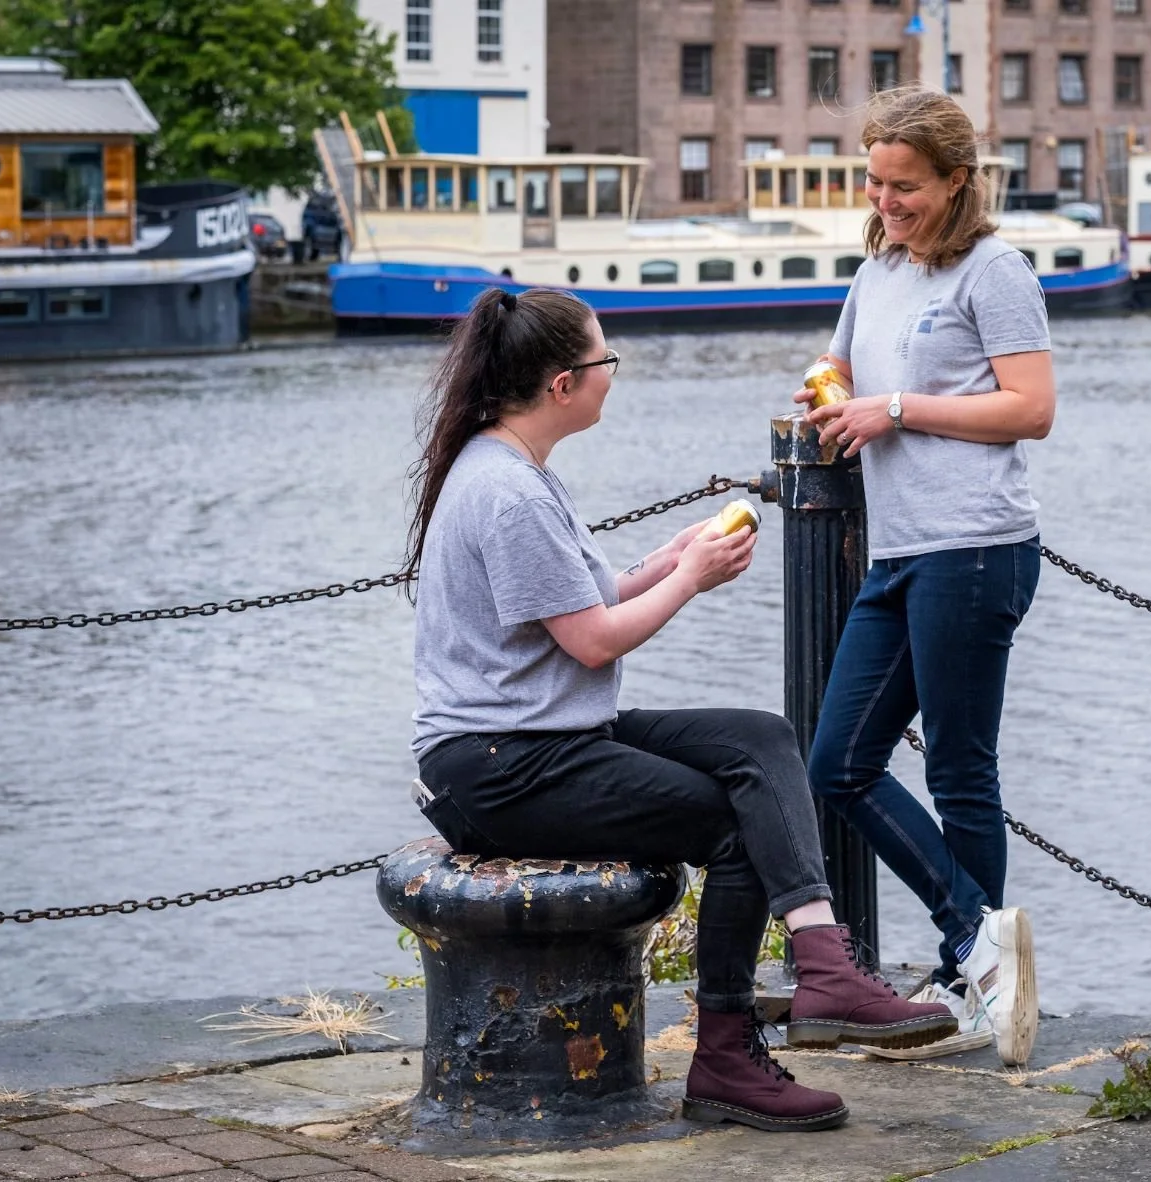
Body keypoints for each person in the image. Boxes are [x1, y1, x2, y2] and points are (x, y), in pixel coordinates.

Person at [403, 287, 957, 1133]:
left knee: (758, 739)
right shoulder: (508, 491)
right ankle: (728, 1058)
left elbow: (572, 610)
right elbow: (591, 643)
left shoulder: (510, 466)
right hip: (500, 767)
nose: (610, 378)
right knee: (733, 826)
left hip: (545, 737)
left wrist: (669, 561)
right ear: (561, 384)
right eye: (603, 363)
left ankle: (820, 963)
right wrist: (690, 584)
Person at [795, 86, 1055, 1068]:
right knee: (839, 761)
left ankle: (968, 974)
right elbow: (843, 366)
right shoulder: (878, 269)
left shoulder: (997, 271)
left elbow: (1031, 409)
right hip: (901, 551)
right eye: (875, 181)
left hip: (977, 544)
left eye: (905, 186)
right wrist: (830, 393)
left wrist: (894, 408)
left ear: (956, 180)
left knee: (958, 768)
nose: (886, 199)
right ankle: (981, 942)